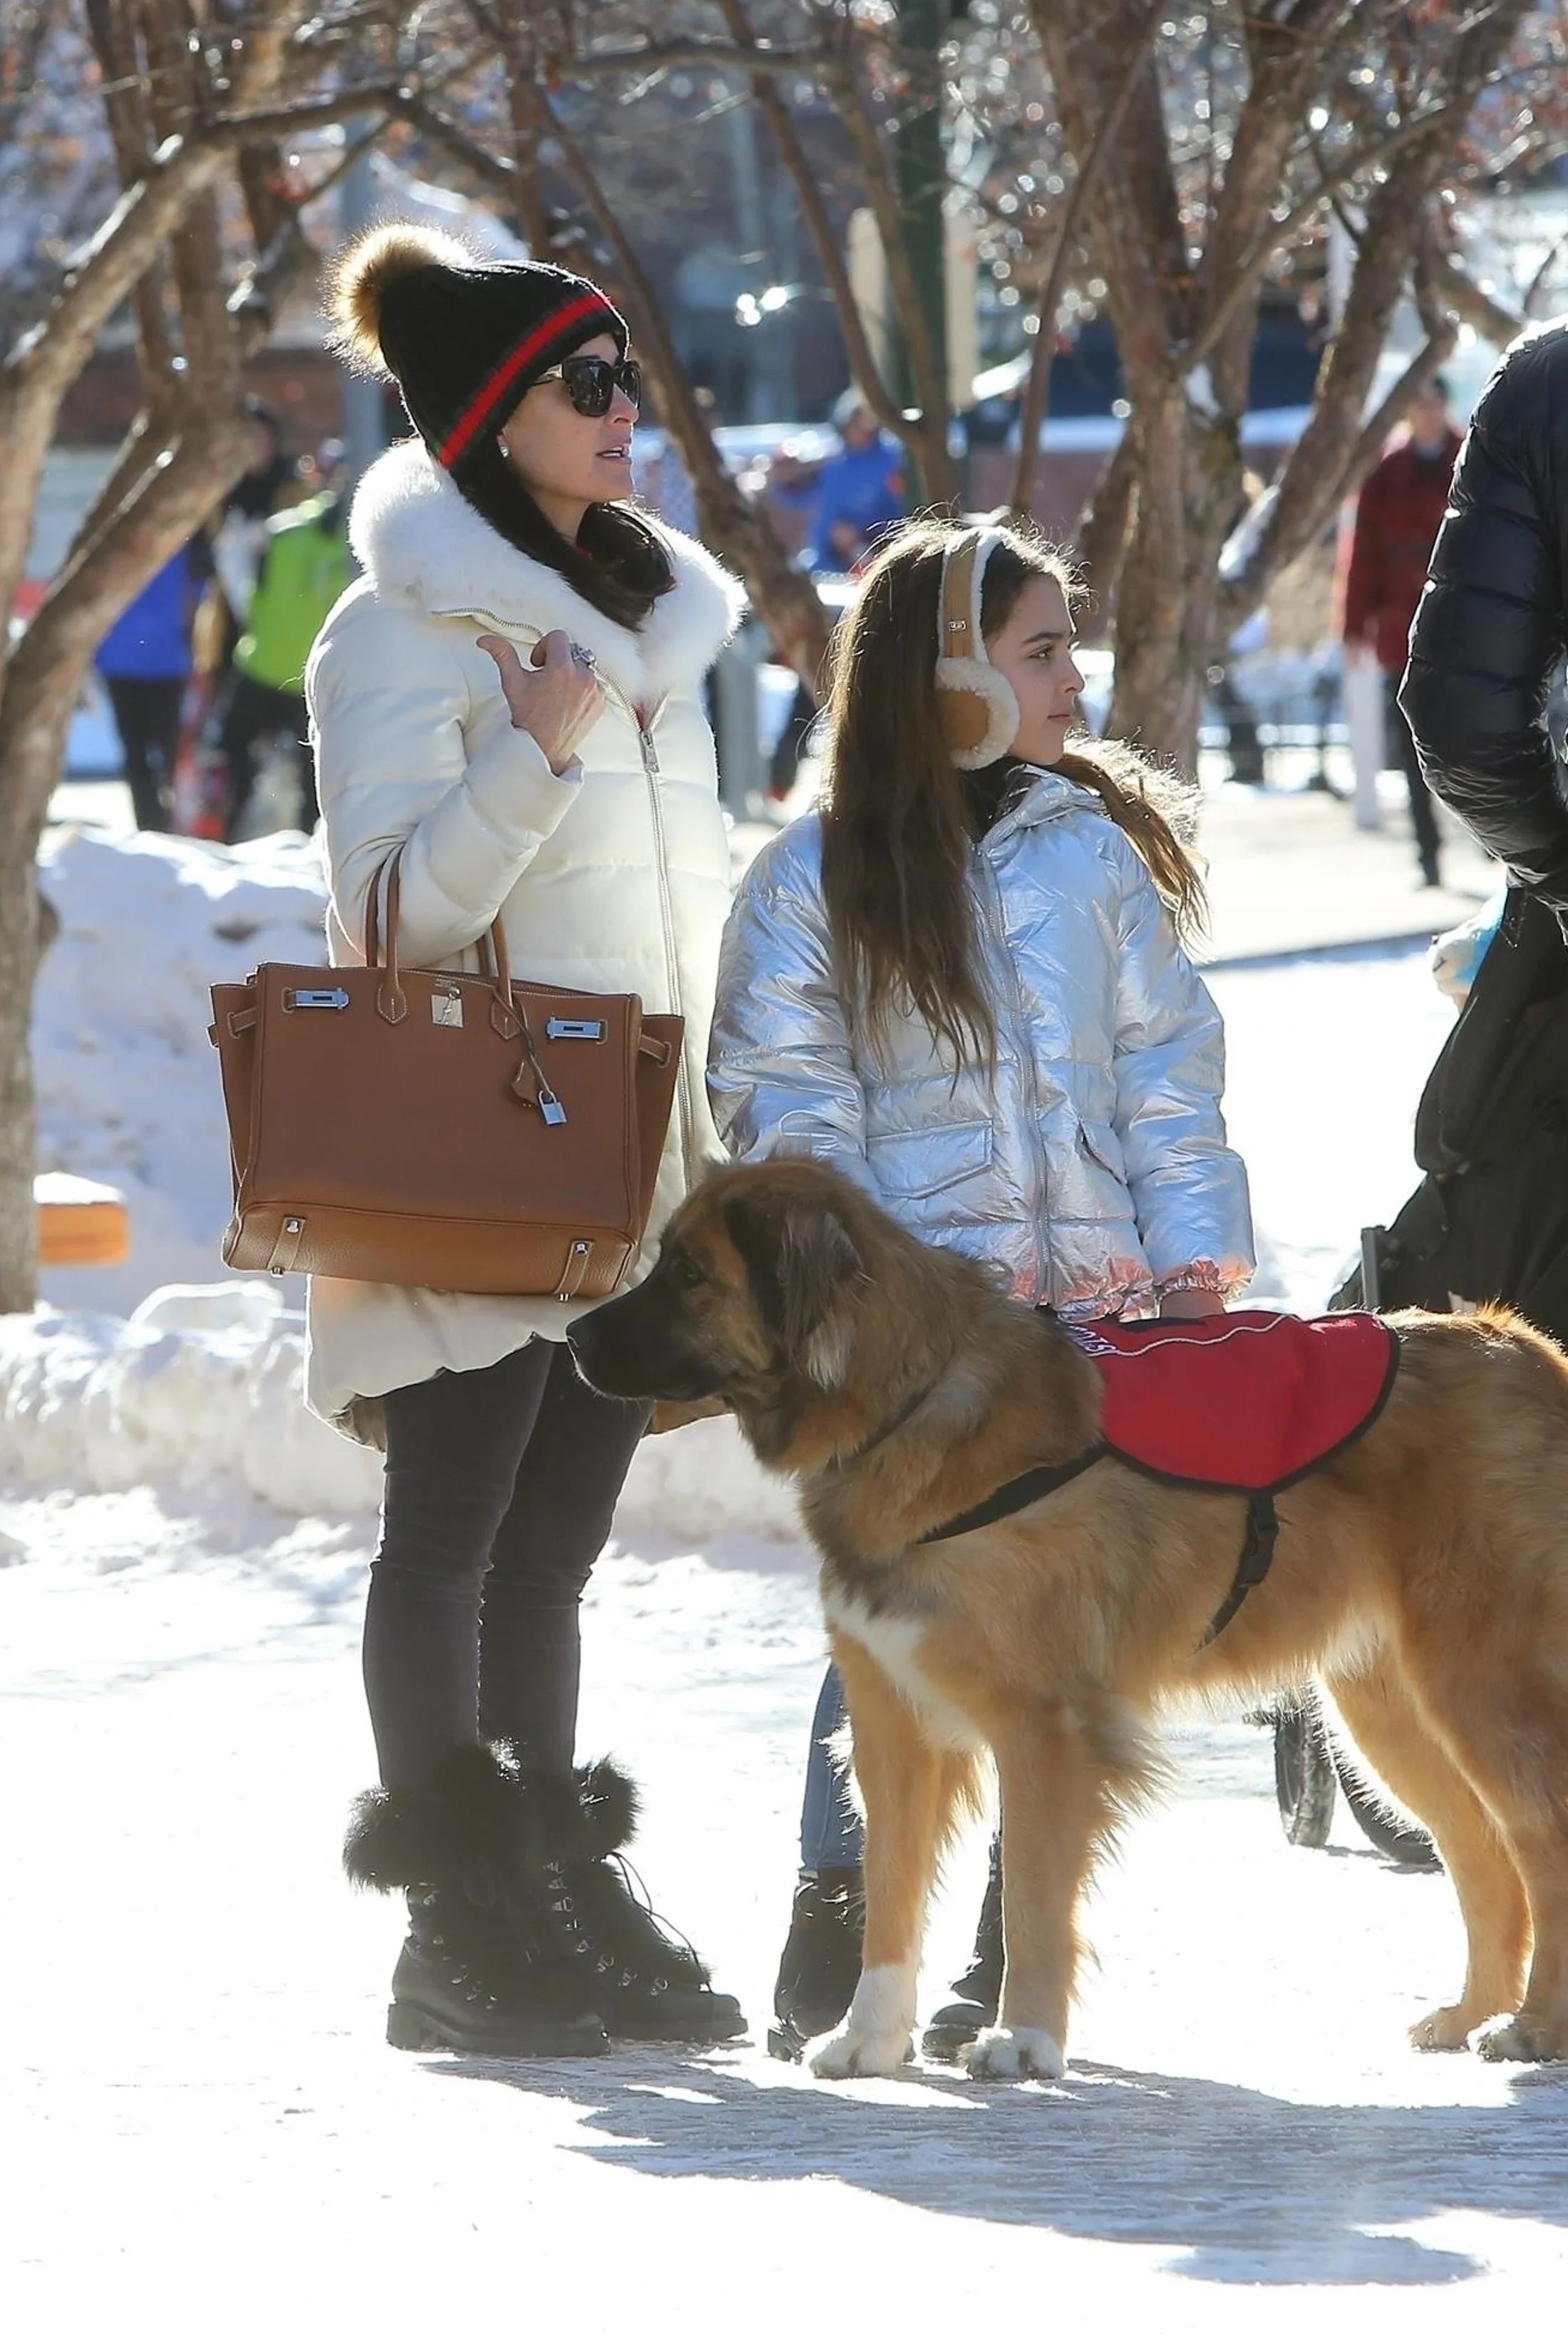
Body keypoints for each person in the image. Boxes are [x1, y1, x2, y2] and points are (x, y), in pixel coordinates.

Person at [708, 515, 1255, 2058]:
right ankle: (842, 1898)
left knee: (1052, 1630)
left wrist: (1190, 1250)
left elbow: (1164, 1064)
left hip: (1092, 1320)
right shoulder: (808, 883)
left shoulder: (1088, 855)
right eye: (1040, 651)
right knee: (895, 1620)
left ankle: (1015, 1936)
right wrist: (872, 1314)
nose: (1076, 678)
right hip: (919, 1361)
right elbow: (788, 1113)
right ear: (946, 676)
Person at [307, 221, 746, 2058]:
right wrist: (531, 752)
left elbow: (675, 914)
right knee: (450, 1535)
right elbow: (384, 923)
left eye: (625, 372)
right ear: (495, 418)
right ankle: (456, 1924)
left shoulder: (650, 630)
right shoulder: (399, 636)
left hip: (632, 1156)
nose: (623, 405)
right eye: (585, 381)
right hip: (474, 1144)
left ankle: (552, 1882)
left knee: (554, 1553)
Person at [1401, 321, 1568, 912]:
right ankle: (1429, 859)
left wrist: (1557, 876)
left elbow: (1461, 722)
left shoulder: (1541, 382)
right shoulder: (1391, 473)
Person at [1341, 376, 1463, 887]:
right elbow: (1363, 556)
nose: (1427, 413)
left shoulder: (1474, 458)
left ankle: (1496, 840)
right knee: (1412, 745)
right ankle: (1427, 852)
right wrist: (1354, 626)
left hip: (1466, 627)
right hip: (1403, 629)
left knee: (1477, 735)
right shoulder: (1386, 473)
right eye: (1419, 404)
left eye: (1434, 403)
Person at [768, 389, 910, 802]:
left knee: (853, 683)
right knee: (810, 678)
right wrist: (785, 468)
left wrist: (863, 541)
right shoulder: (834, 462)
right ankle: (781, 779)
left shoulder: (890, 463)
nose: (858, 429)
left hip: (865, 585)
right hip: (823, 584)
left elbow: (905, 522)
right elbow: (789, 491)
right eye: (852, 421)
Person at [220, 449, 351, 838]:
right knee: (316, 775)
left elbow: (243, 586)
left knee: (231, 753)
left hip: (261, 664)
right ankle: (308, 842)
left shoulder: (281, 531)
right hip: (314, 678)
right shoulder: (360, 544)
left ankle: (230, 831)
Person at [94, 536, 209, 830]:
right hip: (168, 661)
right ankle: (167, 816)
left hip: (119, 660)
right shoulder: (182, 545)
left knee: (134, 749)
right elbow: (199, 599)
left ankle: (148, 821)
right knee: (167, 746)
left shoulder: (112, 549)